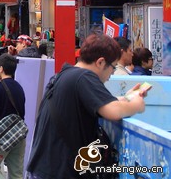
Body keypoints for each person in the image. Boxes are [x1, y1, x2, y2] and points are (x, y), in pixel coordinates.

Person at [26, 34, 148, 178]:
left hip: (46, 169)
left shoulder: (66, 74)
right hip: (59, 172)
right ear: (101, 62)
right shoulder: (85, 77)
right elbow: (113, 111)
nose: (112, 74)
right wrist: (137, 105)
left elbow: (102, 102)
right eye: (113, 67)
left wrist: (127, 98)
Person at [0, 54, 26, 179]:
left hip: (2, 136)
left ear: (1, 69)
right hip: (19, 134)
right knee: (16, 173)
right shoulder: (19, 87)